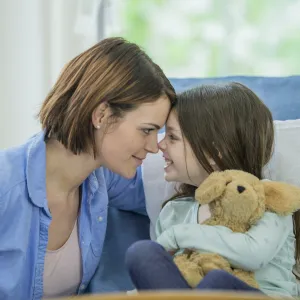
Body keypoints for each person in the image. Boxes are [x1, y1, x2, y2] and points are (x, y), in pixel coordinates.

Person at [0, 37, 176, 300]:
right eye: (147, 130)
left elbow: (179, 191)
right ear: (101, 115)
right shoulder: (6, 185)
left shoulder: (103, 180)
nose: (153, 146)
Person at [125, 82, 300, 297]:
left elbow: (254, 254)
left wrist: (178, 235)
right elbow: (166, 278)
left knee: (217, 282)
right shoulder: (174, 211)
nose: (160, 144)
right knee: (141, 253)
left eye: (172, 137)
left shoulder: (269, 199)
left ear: (213, 151)